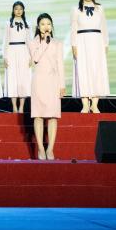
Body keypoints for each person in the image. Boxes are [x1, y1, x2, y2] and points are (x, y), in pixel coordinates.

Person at [70, 0, 110, 113]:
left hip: (97, 42)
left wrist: (106, 44)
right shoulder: (75, 9)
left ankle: (95, 104)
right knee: (83, 71)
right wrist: (73, 45)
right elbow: (73, 29)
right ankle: (85, 104)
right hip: (81, 42)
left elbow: (104, 27)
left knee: (97, 70)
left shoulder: (100, 8)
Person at [29, 13, 65, 160]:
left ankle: (50, 149)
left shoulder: (58, 43)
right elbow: (35, 59)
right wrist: (44, 41)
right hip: (39, 81)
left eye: (48, 24)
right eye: (43, 24)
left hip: (53, 81)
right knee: (38, 115)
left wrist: (62, 85)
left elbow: (60, 65)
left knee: (52, 115)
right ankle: (40, 148)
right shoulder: (33, 43)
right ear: (38, 27)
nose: (46, 26)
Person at [4, 1, 31, 113]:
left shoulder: (27, 24)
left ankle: (21, 107)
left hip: (24, 51)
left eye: (20, 9)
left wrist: (31, 56)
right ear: (13, 10)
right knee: (12, 78)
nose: (18, 11)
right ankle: (14, 106)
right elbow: (5, 41)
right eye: (16, 9)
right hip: (11, 51)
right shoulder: (8, 23)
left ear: (23, 10)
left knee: (23, 78)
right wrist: (5, 56)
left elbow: (29, 41)